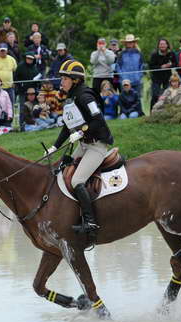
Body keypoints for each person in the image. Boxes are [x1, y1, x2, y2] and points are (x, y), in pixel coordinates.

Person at [45, 60, 114, 236]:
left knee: (77, 181)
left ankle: (91, 222)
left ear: (75, 80)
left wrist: (82, 132)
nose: (61, 82)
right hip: (84, 145)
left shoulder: (85, 97)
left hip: (96, 145)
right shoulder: (71, 98)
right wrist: (54, 147)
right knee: (62, 169)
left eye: (65, 79)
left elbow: (98, 121)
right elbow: (67, 126)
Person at [149, 38, 177, 110]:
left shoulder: (171, 53)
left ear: (167, 45)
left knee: (167, 95)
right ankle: (152, 112)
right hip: (156, 78)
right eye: (161, 44)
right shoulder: (154, 54)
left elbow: (176, 64)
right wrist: (161, 67)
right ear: (158, 46)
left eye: (164, 44)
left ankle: (165, 111)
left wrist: (170, 65)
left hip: (167, 78)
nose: (162, 46)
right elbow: (151, 66)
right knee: (155, 95)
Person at [15, 52, 41, 130]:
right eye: (28, 58)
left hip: (33, 91)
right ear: (25, 58)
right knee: (23, 109)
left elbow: (38, 78)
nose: (29, 60)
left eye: (31, 59)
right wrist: (21, 86)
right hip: (23, 91)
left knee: (34, 108)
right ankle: (22, 126)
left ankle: (35, 124)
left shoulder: (34, 67)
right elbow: (16, 78)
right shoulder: (20, 66)